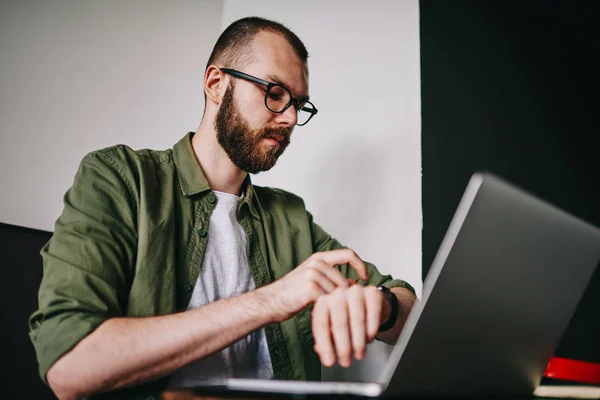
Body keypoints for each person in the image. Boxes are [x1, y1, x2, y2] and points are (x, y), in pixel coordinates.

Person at [29, 16, 416, 400]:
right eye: (275, 92)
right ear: (216, 83)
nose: (291, 118)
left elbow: (408, 309)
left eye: (299, 104)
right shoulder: (121, 180)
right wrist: (269, 300)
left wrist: (380, 306)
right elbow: (70, 365)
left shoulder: (290, 217)